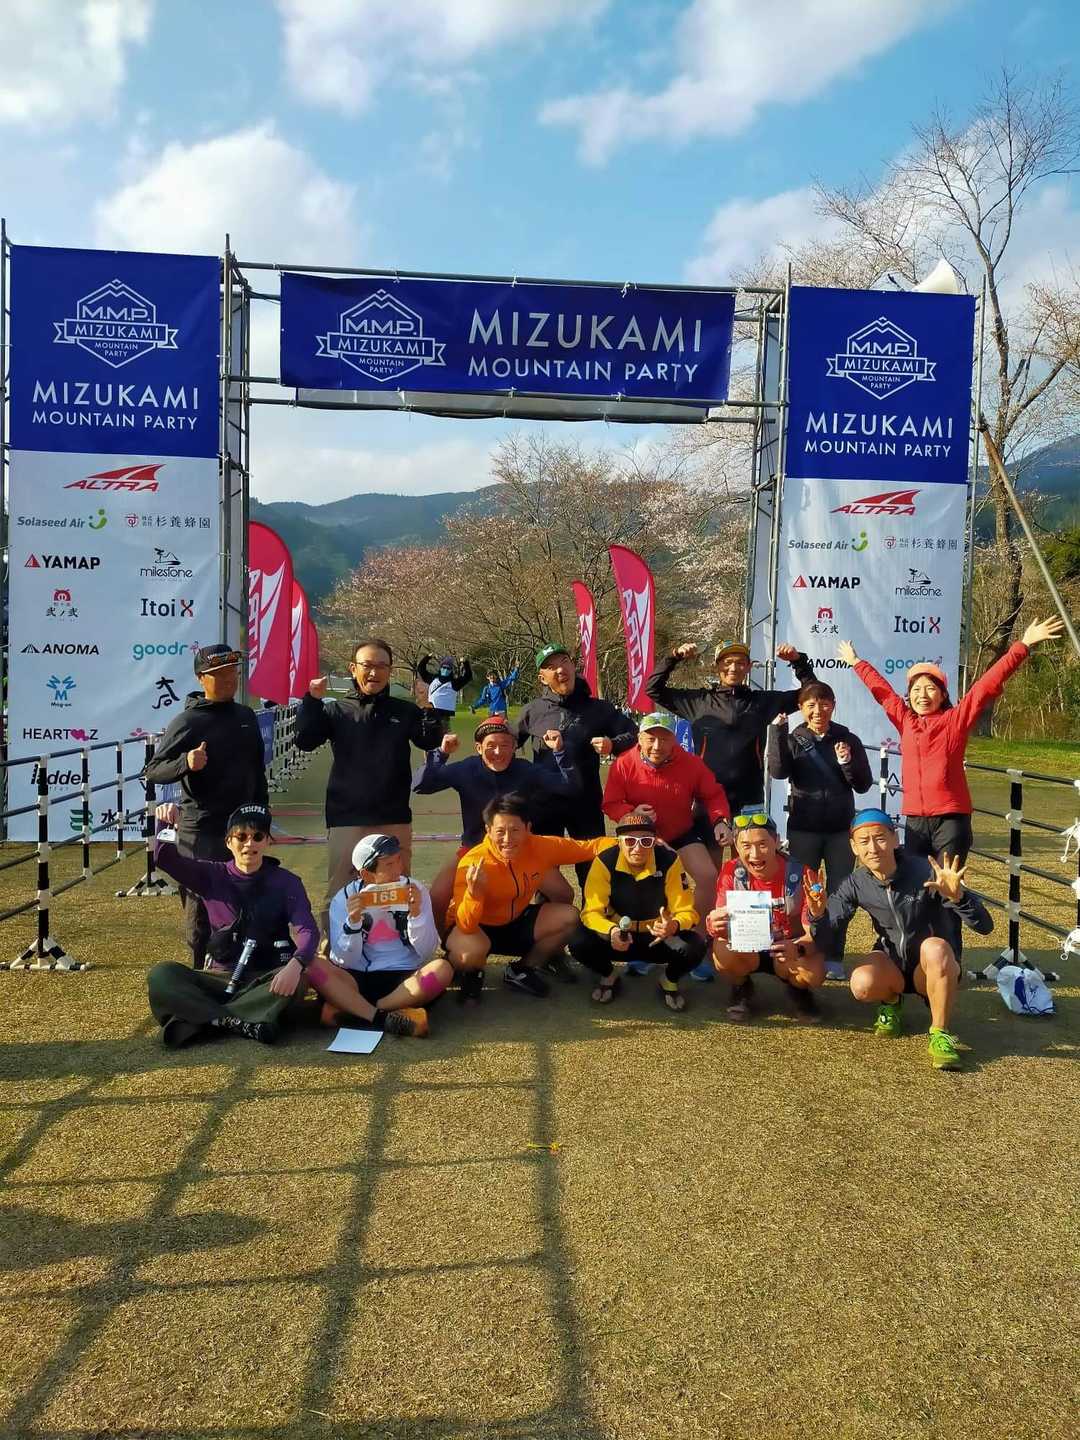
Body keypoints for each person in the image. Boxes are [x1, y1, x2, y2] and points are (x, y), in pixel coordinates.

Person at [838, 618, 1064, 864]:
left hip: (951, 818)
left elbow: (986, 685)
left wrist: (1024, 644)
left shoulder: (955, 720)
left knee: (947, 882)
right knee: (917, 882)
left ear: (943, 694)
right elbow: (883, 693)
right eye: (916, 689)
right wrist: (856, 662)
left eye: (930, 688)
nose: (922, 695)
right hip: (915, 819)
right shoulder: (906, 721)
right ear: (909, 696)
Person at [805, 809, 993, 1070]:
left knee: (936, 948)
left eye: (880, 838)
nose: (873, 848)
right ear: (854, 848)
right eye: (864, 841)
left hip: (929, 967)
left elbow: (985, 926)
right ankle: (892, 1002)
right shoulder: (855, 883)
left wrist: (958, 897)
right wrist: (816, 914)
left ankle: (940, 1033)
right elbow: (826, 934)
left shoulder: (926, 871)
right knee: (862, 983)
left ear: (895, 839)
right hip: (892, 962)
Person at [294, 638, 445, 939]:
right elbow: (305, 740)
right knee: (341, 890)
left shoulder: (404, 711)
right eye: (367, 665)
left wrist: (427, 705)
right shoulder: (336, 710)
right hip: (346, 815)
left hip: (393, 815)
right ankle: (335, 949)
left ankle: (400, 948)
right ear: (353, 668)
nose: (374, 672)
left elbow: (429, 740)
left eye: (382, 666)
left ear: (390, 671)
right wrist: (312, 700)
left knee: (397, 888)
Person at [146, 803, 318, 1047]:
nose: (249, 843)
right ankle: (239, 1020)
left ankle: (205, 1018)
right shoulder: (211, 874)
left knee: (299, 981)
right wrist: (165, 823)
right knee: (162, 975)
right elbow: (164, 858)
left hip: (266, 977)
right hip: (221, 976)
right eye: (241, 836)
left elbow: (307, 930)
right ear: (228, 842)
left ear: (268, 842)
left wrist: (296, 964)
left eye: (258, 836)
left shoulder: (287, 882)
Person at [143, 644, 268, 969]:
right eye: (219, 675)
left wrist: (263, 820)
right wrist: (185, 762)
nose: (229, 680)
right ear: (201, 678)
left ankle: (241, 975)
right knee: (200, 913)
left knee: (246, 904)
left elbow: (257, 772)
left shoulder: (246, 716)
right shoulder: (189, 721)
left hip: (243, 829)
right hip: (202, 831)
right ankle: (199, 974)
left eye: (233, 673)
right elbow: (153, 770)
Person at [413, 717, 579, 935]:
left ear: (515, 747)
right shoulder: (467, 769)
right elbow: (420, 785)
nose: (498, 752)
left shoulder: (525, 770)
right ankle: (447, 941)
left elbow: (568, 786)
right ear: (478, 748)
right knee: (438, 896)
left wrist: (560, 751)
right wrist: (441, 753)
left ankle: (541, 939)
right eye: (491, 745)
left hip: (520, 850)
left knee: (563, 893)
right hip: (474, 850)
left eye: (505, 745)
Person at [445, 793, 614, 1003]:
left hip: (515, 921)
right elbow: (466, 925)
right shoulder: (473, 862)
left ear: (528, 828)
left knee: (569, 916)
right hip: (476, 928)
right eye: (500, 831)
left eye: (515, 830)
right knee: (471, 950)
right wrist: (474, 894)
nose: (508, 839)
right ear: (488, 830)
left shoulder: (540, 846)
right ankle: (471, 974)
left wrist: (633, 840)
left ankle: (521, 970)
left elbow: (589, 848)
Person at [766, 681, 873, 979]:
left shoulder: (847, 738)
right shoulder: (794, 738)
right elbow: (778, 772)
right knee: (802, 895)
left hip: (840, 831)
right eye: (810, 705)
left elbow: (863, 784)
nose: (818, 710)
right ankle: (804, 952)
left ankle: (834, 955)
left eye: (824, 703)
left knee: (840, 894)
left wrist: (846, 762)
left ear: (833, 705)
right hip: (804, 829)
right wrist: (777, 733)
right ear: (801, 708)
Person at [645, 638, 816, 815]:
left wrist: (798, 661)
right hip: (707, 799)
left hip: (749, 801)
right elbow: (653, 689)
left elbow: (812, 694)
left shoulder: (763, 702)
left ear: (749, 667)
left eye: (740, 663)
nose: (733, 668)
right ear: (716, 667)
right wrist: (674, 657)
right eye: (727, 662)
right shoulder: (698, 702)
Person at [515, 644, 637, 883]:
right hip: (543, 805)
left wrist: (612, 744)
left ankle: (593, 908)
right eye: (551, 667)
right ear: (542, 678)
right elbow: (506, 745)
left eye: (564, 662)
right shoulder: (532, 711)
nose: (560, 670)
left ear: (573, 666)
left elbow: (635, 734)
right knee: (545, 877)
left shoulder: (598, 708)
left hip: (586, 802)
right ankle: (550, 908)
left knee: (594, 873)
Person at [601, 710, 730, 936]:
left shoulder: (691, 763)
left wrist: (720, 820)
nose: (657, 746)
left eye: (665, 739)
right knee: (640, 886)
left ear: (674, 740)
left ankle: (698, 935)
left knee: (708, 876)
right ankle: (637, 936)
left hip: (680, 833)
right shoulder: (623, 764)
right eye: (651, 739)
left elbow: (713, 795)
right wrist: (632, 813)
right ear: (640, 738)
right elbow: (610, 803)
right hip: (640, 838)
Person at [568, 812, 706, 1011]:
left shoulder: (669, 860)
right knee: (578, 941)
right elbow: (591, 912)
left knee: (695, 945)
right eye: (630, 841)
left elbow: (687, 911)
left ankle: (668, 980)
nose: (638, 848)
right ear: (619, 841)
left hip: (658, 937)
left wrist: (673, 925)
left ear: (654, 841)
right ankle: (609, 974)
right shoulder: (604, 861)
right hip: (619, 937)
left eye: (646, 841)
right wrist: (611, 931)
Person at [323, 833, 452, 1038]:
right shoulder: (344, 898)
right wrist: (353, 922)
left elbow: (427, 951)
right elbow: (344, 960)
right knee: (314, 966)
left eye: (399, 860)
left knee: (442, 969)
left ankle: (360, 1010)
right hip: (358, 977)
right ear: (366, 874)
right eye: (389, 864)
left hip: (405, 978)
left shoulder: (415, 890)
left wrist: (416, 915)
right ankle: (391, 1017)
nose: (398, 870)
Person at [705, 807, 826, 1023]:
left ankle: (798, 990)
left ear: (777, 841)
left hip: (786, 947)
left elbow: (814, 935)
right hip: (748, 947)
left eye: (762, 844)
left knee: (814, 971)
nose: (755, 854)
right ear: (736, 846)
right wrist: (713, 923)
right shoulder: (731, 872)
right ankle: (741, 987)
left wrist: (797, 948)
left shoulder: (802, 874)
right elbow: (720, 924)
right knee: (721, 951)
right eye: (746, 846)